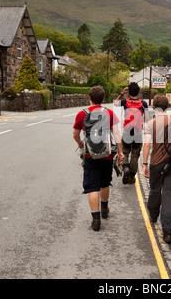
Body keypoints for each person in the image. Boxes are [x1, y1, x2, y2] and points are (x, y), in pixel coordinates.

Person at [73, 86, 124, 231]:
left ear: (89, 98)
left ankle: (96, 220)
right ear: (102, 99)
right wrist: (120, 151)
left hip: (90, 155)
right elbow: (116, 133)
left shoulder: (81, 114)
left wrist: (81, 144)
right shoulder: (109, 113)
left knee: (92, 187)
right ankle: (105, 208)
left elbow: (75, 134)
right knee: (105, 182)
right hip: (107, 155)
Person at [142, 94, 171, 244]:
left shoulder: (151, 123)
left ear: (153, 107)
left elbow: (146, 145)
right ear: (167, 106)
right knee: (169, 194)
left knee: (155, 190)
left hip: (156, 163)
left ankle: (153, 215)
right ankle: (168, 232)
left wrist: (144, 163)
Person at [114, 82, 149, 185]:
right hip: (137, 132)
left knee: (125, 151)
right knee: (135, 153)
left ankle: (125, 168)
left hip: (127, 131)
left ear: (128, 92)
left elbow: (115, 103)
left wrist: (122, 93)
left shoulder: (125, 101)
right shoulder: (143, 103)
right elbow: (147, 119)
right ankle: (132, 175)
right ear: (138, 92)